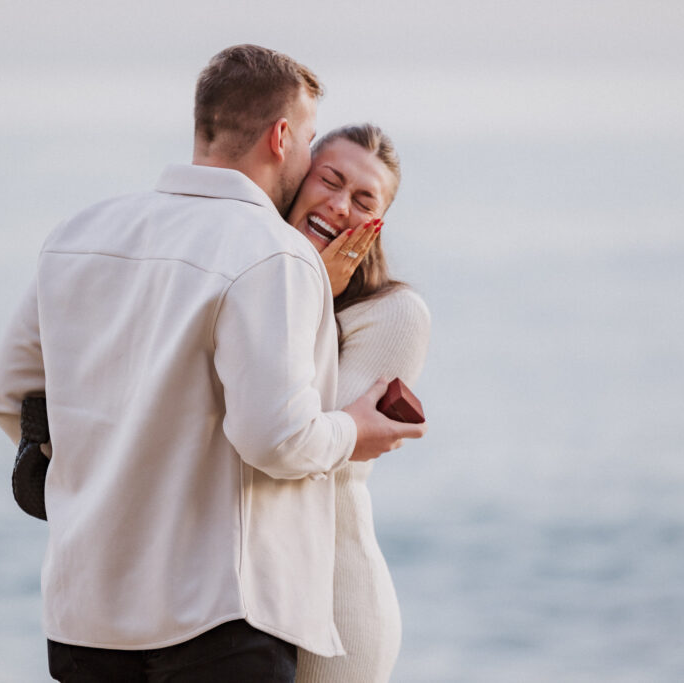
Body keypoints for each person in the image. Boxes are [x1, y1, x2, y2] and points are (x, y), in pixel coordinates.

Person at [0, 45, 426, 682]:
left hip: (85, 613)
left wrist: (109, 474)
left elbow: (9, 395)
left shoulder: (79, 231)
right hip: (218, 619)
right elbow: (276, 438)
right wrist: (355, 428)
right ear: (281, 138)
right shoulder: (274, 254)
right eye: (307, 145)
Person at [286, 124, 430, 683]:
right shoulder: (248, 284)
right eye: (330, 180)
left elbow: (302, 439)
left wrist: (312, 289)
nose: (340, 206)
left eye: (364, 199)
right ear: (298, 181)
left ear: (377, 223)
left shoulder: (393, 313)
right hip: (245, 606)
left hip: (335, 603)